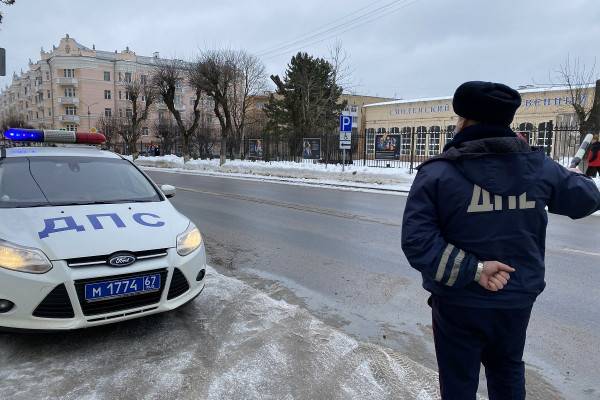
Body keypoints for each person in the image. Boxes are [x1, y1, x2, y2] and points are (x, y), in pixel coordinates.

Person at [401, 81, 600, 400]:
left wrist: (474, 270)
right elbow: (588, 198)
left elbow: (417, 242)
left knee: (458, 382)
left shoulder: (438, 174)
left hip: (458, 302)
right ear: (507, 121)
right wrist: (566, 174)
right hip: (515, 300)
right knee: (507, 371)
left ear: (463, 121)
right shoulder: (539, 168)